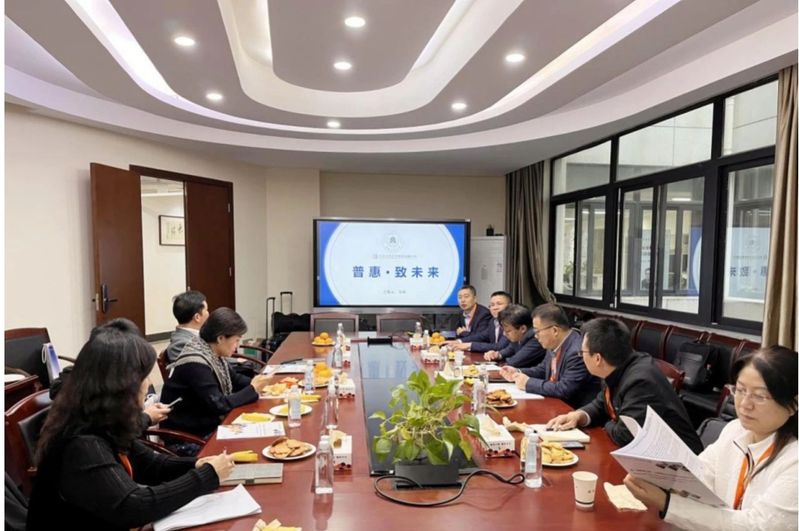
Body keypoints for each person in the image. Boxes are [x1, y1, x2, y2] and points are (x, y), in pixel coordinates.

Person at [27, 318, 234, 531]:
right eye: (144, 377)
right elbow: (133, 506)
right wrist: (205, 476)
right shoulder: (83, 443)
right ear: (121, 385)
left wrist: (196, 465)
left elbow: (151, 465)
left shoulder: (103, 420)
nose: (148, 384)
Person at [624, 346, 798, 530]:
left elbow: (756, 526)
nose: (745, 404)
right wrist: (657, 477)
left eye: (760, 396)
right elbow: (700, 475)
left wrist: (667, 504)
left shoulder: (793, 460)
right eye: (740, 390)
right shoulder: (735, 430)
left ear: (794, 404)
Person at [546, 318, 703, 453]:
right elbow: (602, 404)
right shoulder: (615, 366)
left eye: (582, 353)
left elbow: (625, 435)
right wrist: (579, 416)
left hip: (678, 462)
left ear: (598, 359)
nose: (581, 357)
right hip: (646, 454)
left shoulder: (641, 381)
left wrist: (608, 423)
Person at [160, 307, 270, 441]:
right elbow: (219, 405)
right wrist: (253, 389)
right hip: (189, 437)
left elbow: (235, 379)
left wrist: (265, 384)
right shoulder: (196, 363)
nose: (238, 346)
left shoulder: (212, 353)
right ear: (221, 338)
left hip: (206, 426)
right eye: (236, 340)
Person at [499, 303, 600, 407]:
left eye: (537, 331)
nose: (535, 336)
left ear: (555, 330)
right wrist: (517, 372)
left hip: (572, 409)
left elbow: (564, 389)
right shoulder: (554, 342)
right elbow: (543, 370)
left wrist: (528, 383)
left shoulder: (576, 351)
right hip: (553, 403)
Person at [166, 290, 209, 363]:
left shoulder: (201, 334)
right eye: (206, 310)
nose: (208, 313)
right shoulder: (181, 345)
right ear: (197, 317)